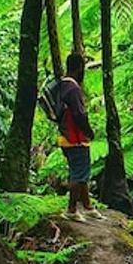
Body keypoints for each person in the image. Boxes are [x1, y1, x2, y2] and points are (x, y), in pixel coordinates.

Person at [58, 53, 104, 221]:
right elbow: (79, 114)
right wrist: (89, 131)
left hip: (65, 136)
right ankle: (71, 210)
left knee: (80, 173)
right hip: (76, 138)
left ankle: (87, 207)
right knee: (79, 175)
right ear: (78, 68)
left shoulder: (61, 85)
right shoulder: (74, 88)